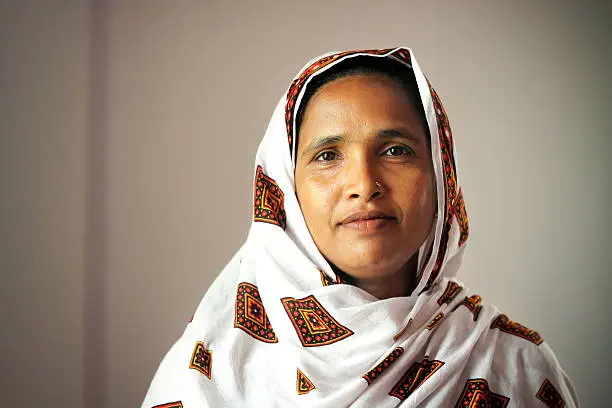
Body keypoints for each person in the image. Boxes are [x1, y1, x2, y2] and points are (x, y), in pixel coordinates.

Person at [142, 47, 579, 407]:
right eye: (328, 156)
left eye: (395, 150)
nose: (364, 185)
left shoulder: (516, 366)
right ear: (285, 192)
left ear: (442, 180)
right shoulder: (210, 374)